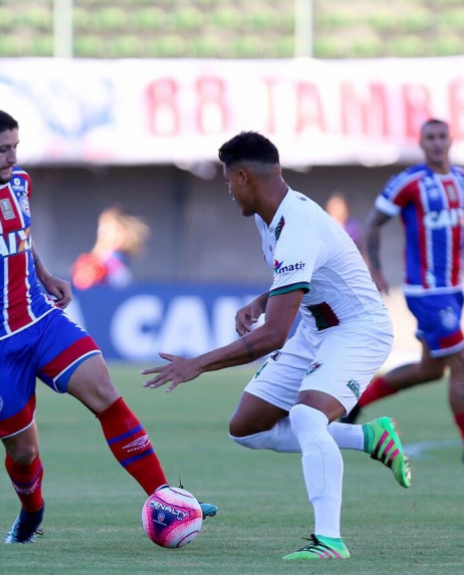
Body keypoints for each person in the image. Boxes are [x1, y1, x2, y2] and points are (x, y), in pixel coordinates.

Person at [0, 107, 216, 544]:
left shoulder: (20, 184)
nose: (12, 157)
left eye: (16, 147)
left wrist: (45, 276)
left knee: (103, 390)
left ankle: (163, 496)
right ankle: (31, 511)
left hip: (39, 318)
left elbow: (21, 238)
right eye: (3, 149)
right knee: (24, 451)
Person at [142, 132, 412, 560]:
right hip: (313, 326)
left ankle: (329, 541)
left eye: (229, 181)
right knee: (247, 428)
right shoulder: (270, 217)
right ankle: (368, 437)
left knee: (306, 416)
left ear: (244, 177)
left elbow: (272, 336)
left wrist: (198, 364)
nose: (229, 192)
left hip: (358, 329)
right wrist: (261, 300)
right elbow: (294, 278)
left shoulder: (300, 228)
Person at [343, 119, 464, 463]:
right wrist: (375, 269)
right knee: (462, 362)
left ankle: (357, 401)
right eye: (430, 138)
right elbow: (374, 222)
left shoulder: (463, 180)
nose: (437, 143)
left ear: (451, 140)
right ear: (422, 144)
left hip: (453, 289)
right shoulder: (409, 182)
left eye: (442, 137)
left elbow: (460, 220)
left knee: (431, 370)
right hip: (426, 292)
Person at [71, 206, 149, 290]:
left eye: (108, 228)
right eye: (101, 228)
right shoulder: (96, 258)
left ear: (121, 232)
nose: (103, 233)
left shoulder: (117, 258)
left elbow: (116, 283)